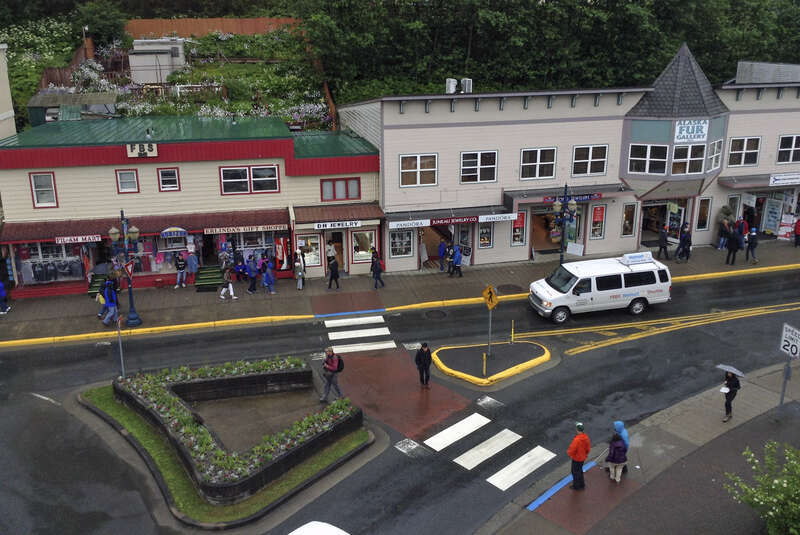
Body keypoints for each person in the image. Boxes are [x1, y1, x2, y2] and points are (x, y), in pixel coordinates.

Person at [567, 422, 591, 490]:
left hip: (576, 458)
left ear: (577, 430)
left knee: (574, 472)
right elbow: (588, 448)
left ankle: (576, 486)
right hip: (582, 458)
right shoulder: (586, 438)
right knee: (579, 470)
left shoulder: (577, 440)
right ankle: (582, 484)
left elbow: (572, 449)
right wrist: (585, 454)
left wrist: (570, 454)